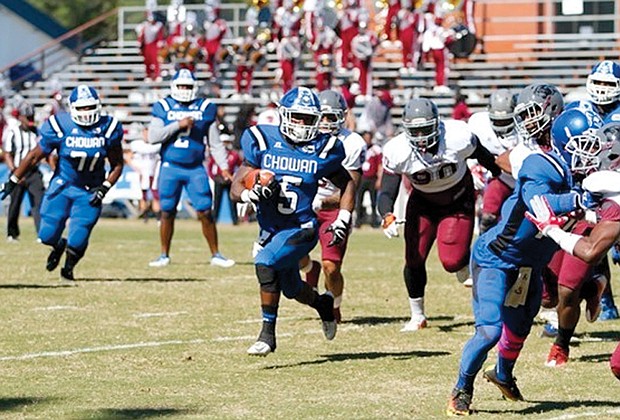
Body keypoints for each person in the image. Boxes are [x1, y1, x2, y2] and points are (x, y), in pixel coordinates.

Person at [446, 83, 581, 416]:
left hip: (529, 263)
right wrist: (579, 199)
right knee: (491, 329)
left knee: (520, 328)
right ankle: (462, 388)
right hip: (497, 257)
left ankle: (502, 375)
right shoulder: (532, 159)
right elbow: (541, 202)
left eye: (534, 113)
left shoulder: (570, 161)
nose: (530, 122)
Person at [230, 86, 357, 356]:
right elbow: (236, 185)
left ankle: (267, 335)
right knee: (290, 288)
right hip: (270, 229)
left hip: (301, 228)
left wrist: (343, 218)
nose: (301, 124)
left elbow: (347, 183)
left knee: (264, 264)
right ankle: (323, 305)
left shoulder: (324, 148)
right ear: (284, 115)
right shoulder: (262, 139)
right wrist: (249, 194)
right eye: (296, 117)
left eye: (308, 119)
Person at [378, 97, 502, 333]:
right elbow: (386, 190)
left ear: (437, 124)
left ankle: (463, 266)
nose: (422, 137)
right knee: (413, 258)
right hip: (422, 203)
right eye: (416, 131)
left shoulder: (457, 136)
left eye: (426, 129)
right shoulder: (398, 149)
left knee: (452, 261)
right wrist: (387, 215)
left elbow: (484, 156)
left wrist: (495, 175)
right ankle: (417, 315)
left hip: (457, 200)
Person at [525, 121, 620, 382]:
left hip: (583, 230)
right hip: (571, 224)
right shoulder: (546, 163)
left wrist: (551, 228)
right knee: (548, 299)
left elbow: (593, 243)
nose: (588, 153)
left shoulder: (608, 182)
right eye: (583, 146)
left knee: (568, 290)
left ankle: (561, 344)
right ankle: (592, 286)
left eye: (593, 148)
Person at [0, 85, 124, 283]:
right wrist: (13, 180)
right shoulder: (59, 125)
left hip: (90, 190)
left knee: (79, 238)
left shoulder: (109, 127)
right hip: (63, 185)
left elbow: (117, 164)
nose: (86, 112)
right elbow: (34, 156)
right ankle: (58, 246)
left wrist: (105, 187)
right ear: (72, 107)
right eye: (82, 108)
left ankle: (68, 268)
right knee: (46, 235)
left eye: (90, 107)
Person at [147, 69, 234, 268]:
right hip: (170, 167)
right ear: (173, 87)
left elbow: (215, 143)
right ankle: (164, 255)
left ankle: (216, 254)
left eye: (188, 86)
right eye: (181, 86)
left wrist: (224, 166)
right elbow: (153, 137)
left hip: (195, 168)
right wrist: (178, 125)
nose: (185, 90)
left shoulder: (205, 107)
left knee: (205, 210)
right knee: (167, 211)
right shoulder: (163, 106)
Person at [299, 89, 366, 323]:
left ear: (343, 116)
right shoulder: (303, 136)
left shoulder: (352, 143)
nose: (326, 122)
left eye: (331, 117)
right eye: (322, 117)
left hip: (334, 209)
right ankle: (309, 269)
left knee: (332, 267)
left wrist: (322, 201)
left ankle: (334, 306)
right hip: (305, 205)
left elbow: (349, 190)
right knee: (291, 255)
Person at [468, 89, 519, 233]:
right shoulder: (478, 124)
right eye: (497, 120)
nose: (501, 125)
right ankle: (485, 245)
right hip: (500, 177)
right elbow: (467, 148)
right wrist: (472, 167)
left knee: (514, 222)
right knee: (488, 217)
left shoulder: (525, 128)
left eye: (505, 120)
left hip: (523, 181)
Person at [2, 102, 44, 242]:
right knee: (15, 203)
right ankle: (12, 233)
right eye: (27, 117)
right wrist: (14, 171)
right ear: (21, 117)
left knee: (39, 202)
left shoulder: (37, 132)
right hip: (17, 171)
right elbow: (7, 153)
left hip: (33, 172)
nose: (30, 120)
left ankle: (41, 233)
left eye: (31, 116)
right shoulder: (13, 132)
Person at [124, 122, 161, 221]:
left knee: (155, 194)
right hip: (142, 173)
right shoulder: (136, 144)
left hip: (154, 172)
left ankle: (158, 217)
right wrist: (136, 168)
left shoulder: (157, 145)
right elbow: (128, 156)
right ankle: (145, 216)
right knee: (143, 194)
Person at [207, 134, 242, 225]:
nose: (225, 144)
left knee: (232, 200)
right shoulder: (216, 155)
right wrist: (213, 176)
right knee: (217, 200)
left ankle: (235, 220)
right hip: (219, 179)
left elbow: (240, 166)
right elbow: (210, 166)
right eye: (224, 142)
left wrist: (236, 177)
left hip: (230, 180)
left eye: (227, 142)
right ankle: (214, 219)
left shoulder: (234, 155)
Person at [354, 131, 382, 228]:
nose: (367, 140)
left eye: (368, 138)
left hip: (372, 178)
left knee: (373, 201)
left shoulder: (376, 149)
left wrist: (379, 179)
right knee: (358, 200)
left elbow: (380, 164)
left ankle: (374, 221)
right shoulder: (360, 148)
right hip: (362, 177)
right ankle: (358, 220)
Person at [136, 11, 165, 82]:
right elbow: (141, 36)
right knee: (147, 61)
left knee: (156, 60)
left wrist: (160, 44)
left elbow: (160, 36)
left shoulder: (158, 25)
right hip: (146, 46)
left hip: (154, 45)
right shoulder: (144, 26)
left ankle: (157, 75)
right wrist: (139, 45)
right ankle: (148, 75)